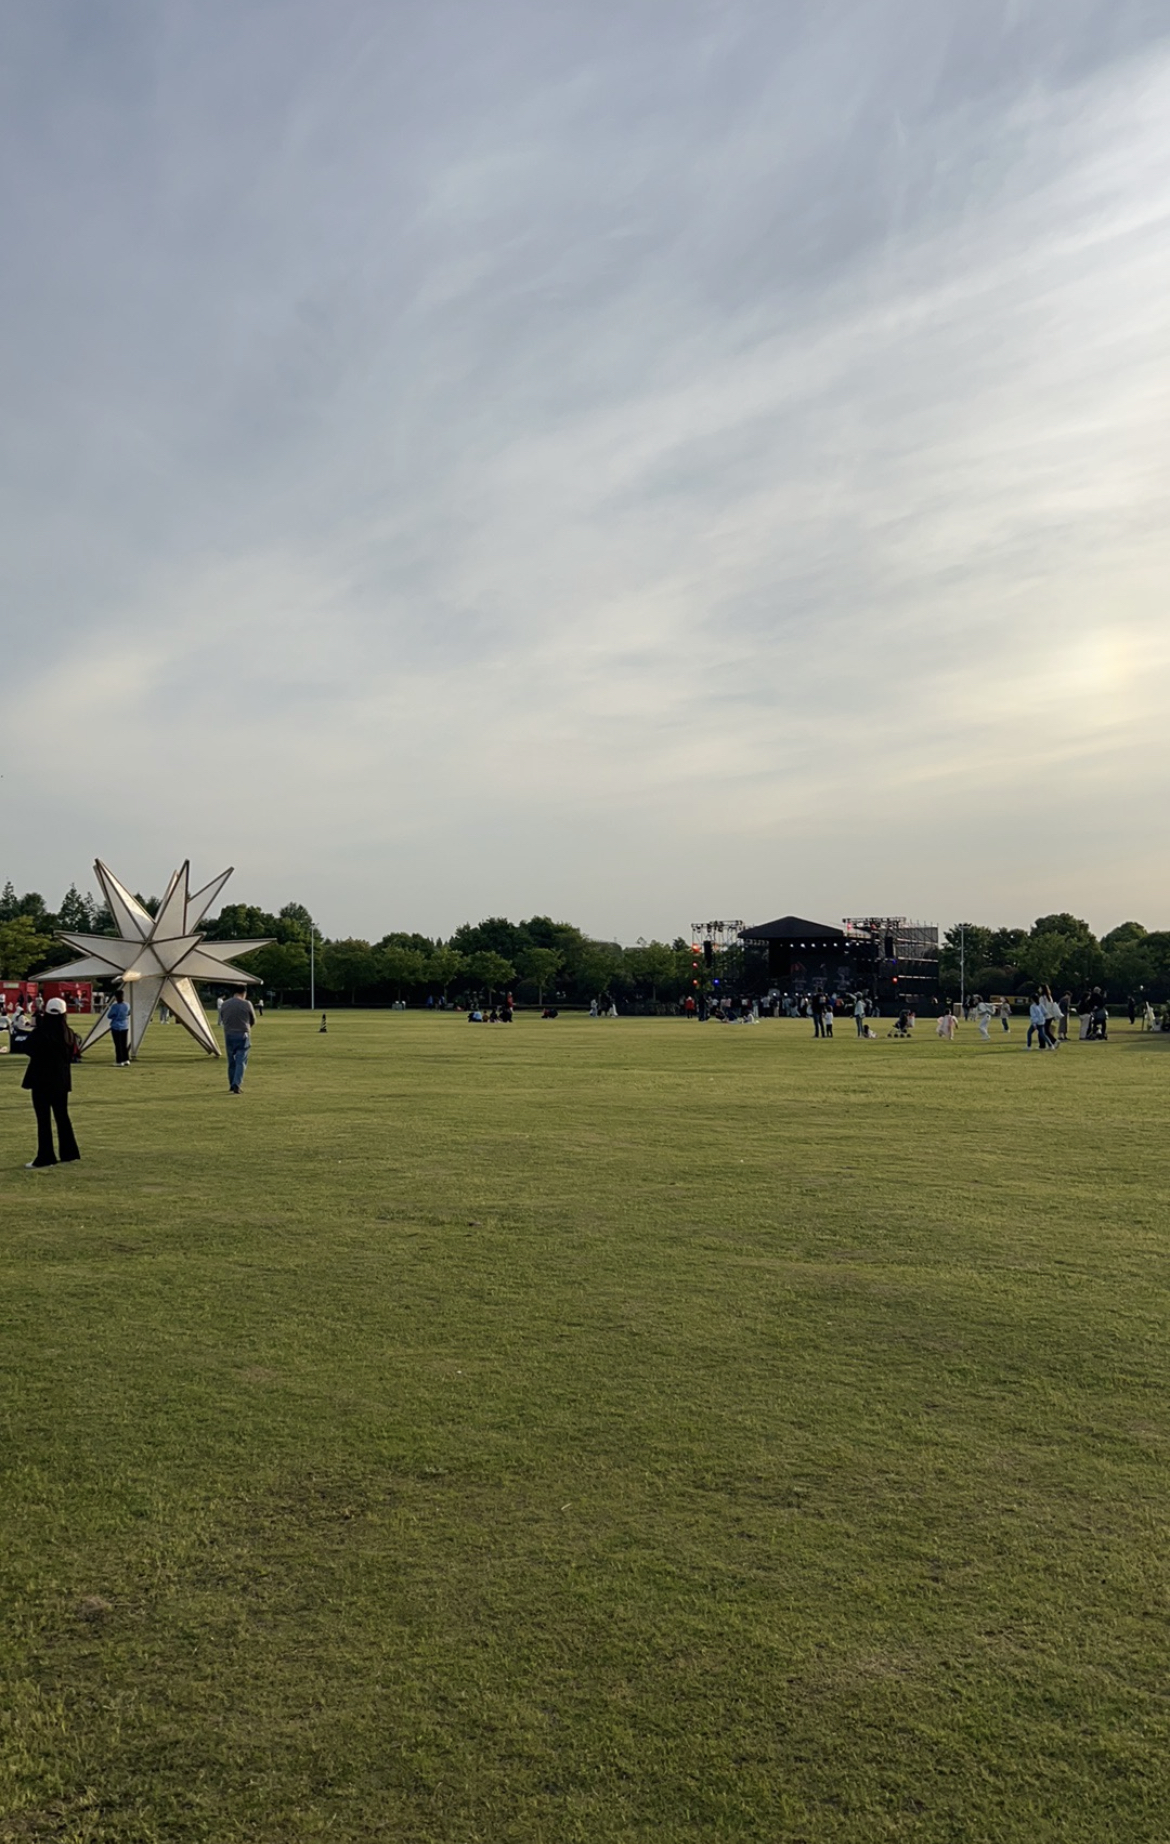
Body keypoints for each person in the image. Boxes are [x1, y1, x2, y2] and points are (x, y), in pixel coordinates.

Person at [21, 997, 81, 1168]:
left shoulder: (41, 1032)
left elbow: (27, 1048)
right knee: (62, 1117)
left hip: (41, 1080)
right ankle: (69, 1152)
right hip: (61, 1081)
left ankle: (46, 1156)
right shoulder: (68, 1033)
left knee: (44, 1120)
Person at [219, 984, 257, 1094]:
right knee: (241, 1060)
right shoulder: (247, 1004)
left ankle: (231, 1083)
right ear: (244, 993)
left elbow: (222, 1018)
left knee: (231, 1060)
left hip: (229, 1033)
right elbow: (252, 1019)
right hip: (243, 1034)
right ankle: (237, 1083)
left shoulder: (225, 1004)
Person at [107, 990, 131, 1064]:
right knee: (124, 1044)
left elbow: (109, 1015)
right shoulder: (127, 1005)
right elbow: (129, 1013)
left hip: (116, 1026)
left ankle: (119, 1060)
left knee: (118, 1044)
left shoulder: (115, 1006)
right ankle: (126, 1059)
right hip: (125, 1026)